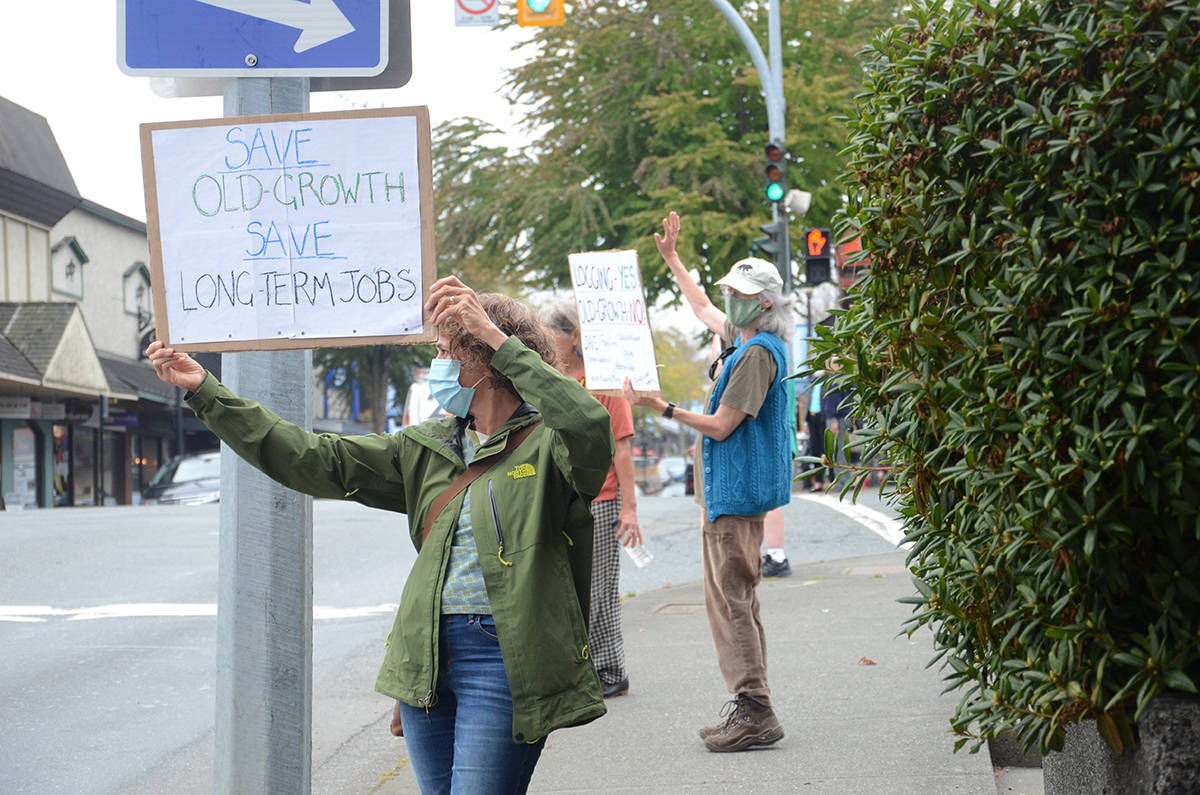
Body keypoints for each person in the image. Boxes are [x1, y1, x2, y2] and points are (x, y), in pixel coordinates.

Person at [146, 276, 615, 794]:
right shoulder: (424, 447)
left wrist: (496, 337)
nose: (437, 366)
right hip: (425, 658)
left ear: (488, 362)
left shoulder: (553, 446)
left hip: (504, 658)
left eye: (446, 351)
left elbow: (590, 421)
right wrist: (205, 391)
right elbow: (310, 457)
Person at [624, 211, 792, 753]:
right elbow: (700, 308)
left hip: (736, 495)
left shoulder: (757, 353)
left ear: (764, 301)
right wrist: (672, 257)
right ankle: (752, 704)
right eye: (729, 290)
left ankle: (756, 709)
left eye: (740, 292)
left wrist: (661, 406)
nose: (729, 298)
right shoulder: (744, 338)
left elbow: (723, 426)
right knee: (734, 599)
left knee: (733, 601)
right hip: (729, 493)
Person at [542, 299, 643, 698]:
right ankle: (605, 669)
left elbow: (622, 447)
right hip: (564, 499)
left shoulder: (603, 381)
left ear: (574, 337)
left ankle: (606, 670)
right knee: (574, 586)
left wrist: (631, 509)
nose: (546, 342)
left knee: (597, 589)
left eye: (552, 335)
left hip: (602, 499)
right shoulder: (549, 379)